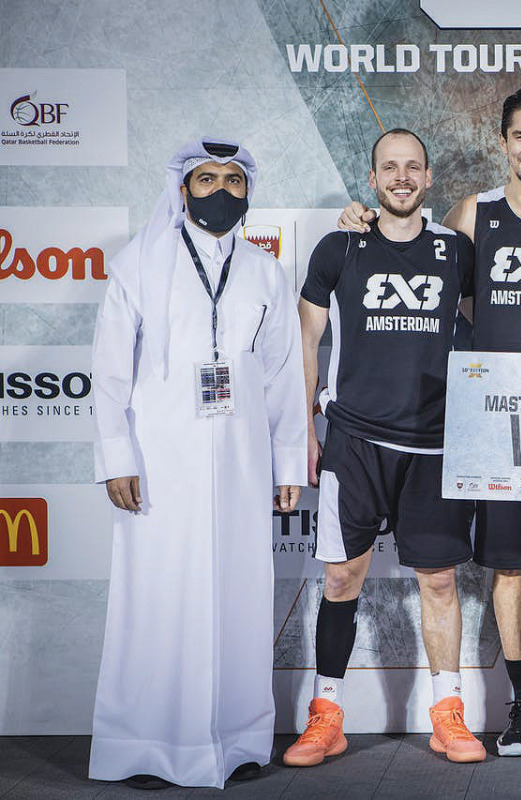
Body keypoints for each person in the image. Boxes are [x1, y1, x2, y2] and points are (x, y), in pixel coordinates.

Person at [337, 87, 521, 755]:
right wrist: (361, 221)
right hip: (504, 423)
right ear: (503, 141)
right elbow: (413, 257)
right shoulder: (473, 214)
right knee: (509, 568)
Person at [89, 138, 307, 789]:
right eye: (206, 179)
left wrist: (288, 461)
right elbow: (106, 373)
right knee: (154, 600)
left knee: (237, 602)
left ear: (249, 192)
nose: (220, 191)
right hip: (159, 467)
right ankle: (146, 744)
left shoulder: (266, 272)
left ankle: (234, 741)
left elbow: (282, 377)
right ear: (182, 190)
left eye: (234, 181)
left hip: (240, 469)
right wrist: (115, 456)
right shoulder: (140, 264)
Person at [282, 128, 481, 767]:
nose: (400, 177)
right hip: (355, 438)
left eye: (412, 167)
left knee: (440, 581)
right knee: (341, 577)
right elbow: (305, 342)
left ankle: (449, 714)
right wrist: (301, 435)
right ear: (373, 180)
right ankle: (327, 715)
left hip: (435, 443)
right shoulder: (340, 247)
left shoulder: (458, 251)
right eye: (388, 168)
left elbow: (484, 338)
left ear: (428, 178)